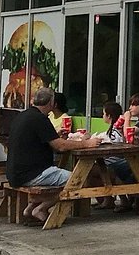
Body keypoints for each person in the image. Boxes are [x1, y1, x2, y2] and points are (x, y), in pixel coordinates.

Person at [7, 86, 101, 222]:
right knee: (79, 179)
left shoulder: (24, 115)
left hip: (15, 173)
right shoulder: (40, 119)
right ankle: (41, 208)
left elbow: (38, 140)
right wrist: (87, 144)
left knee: (65, 176)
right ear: (52, 103)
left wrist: (55, 135)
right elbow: (60, 146)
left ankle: (31, 207)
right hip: (33, 173)